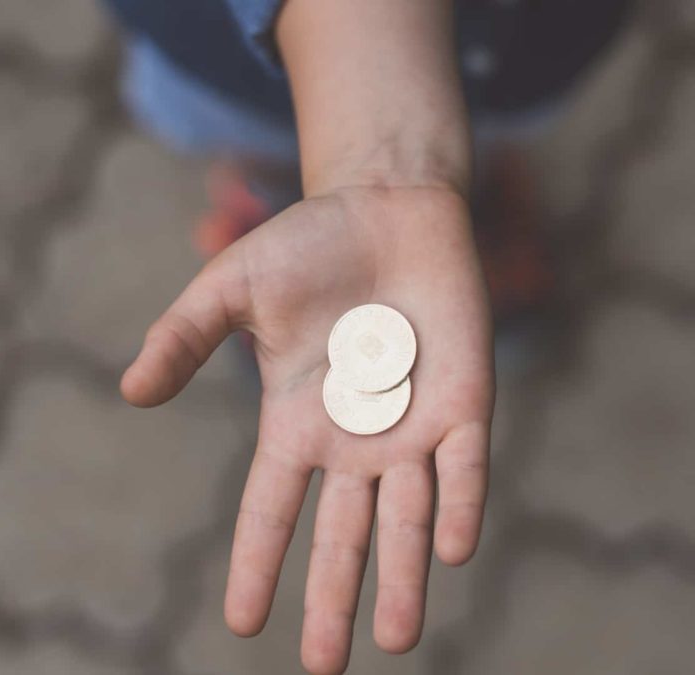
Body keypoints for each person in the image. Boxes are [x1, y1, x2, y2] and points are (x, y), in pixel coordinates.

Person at [102, 1, 627, 673]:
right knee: (252, 130)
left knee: (492, 123)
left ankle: (466, 199)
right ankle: (276, 198)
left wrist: (403, 170)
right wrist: (380, 162)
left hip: (530, 35)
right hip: (222, 45)